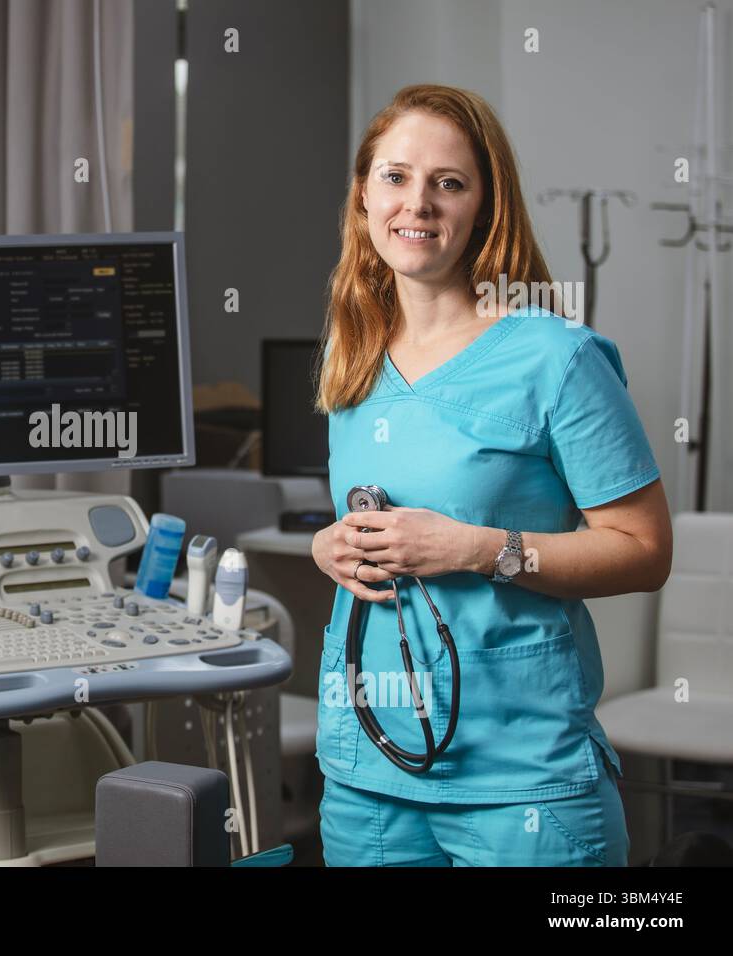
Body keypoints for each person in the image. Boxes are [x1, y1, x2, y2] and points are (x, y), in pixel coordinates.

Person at [310, 84, 672, 866]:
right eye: (396, 177)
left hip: (519, 781)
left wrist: (475, 549)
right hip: (366, 772)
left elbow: (644, 550)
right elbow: (373, 524)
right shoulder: (355, 355)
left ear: (485, 204)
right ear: (364, 195)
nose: (419, 204)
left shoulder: (557, 358)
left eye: (449, 182)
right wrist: (328, 548)